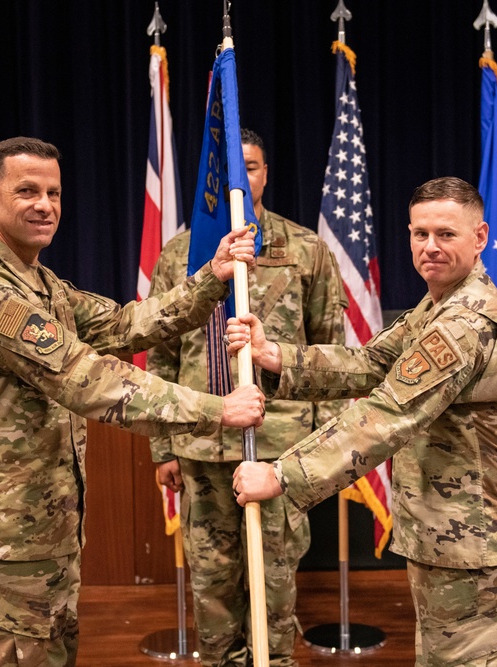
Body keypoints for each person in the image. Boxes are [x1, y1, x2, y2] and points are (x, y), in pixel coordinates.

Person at [0, 136, 266, 667]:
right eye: (27, 191)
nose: (44, 205)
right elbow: (87, 381)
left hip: (45, 529)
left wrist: (210, 279)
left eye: (53, 193)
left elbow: (126, 324)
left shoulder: (40, 283)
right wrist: (216, 409)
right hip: (3, 542)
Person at [228, 177, 497, 667]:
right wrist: (277, 358)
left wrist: (281, 474)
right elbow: (371, 364)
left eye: (446, 234)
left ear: (480, 238)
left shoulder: (466, 322)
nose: (430, 247)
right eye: (420, 234)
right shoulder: (437, 307)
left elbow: (388, 413)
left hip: (478, 553)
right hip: (451, 542)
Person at [147, 128, 348, 667]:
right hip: (202, 442)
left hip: (282, 446)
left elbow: (332, 353)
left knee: (276, 575)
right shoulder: (179, 256)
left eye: (253, 168)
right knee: (212, 575)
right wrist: (163, 448)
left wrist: (326, 448)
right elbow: (161, 354)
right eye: (232, 172)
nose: (243, 180)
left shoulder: (306, 251)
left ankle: (273, 660)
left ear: (265, 173)